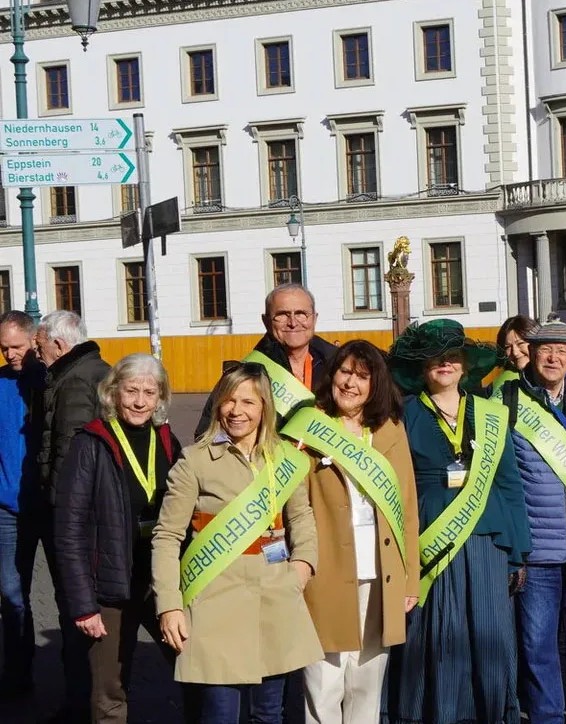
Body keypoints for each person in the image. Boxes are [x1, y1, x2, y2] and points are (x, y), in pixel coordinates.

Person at [153, 363, 322, 723]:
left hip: (275, 594)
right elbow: (167, 537)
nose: (236, 411)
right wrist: (169, 606)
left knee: (269, 714)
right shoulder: (194, 461)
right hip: (215, 601)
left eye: (248, 401)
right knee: (219, 714)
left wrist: (302, 567)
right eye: (229, 400)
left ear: (264, 407)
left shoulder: (287, 460)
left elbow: (301, 517)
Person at [384, 321, 531, 724]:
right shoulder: (404, 415)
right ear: (422, 367)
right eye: (435, 358)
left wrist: (519, 551)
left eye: (452, 356)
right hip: (430, 535)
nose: (445, 364)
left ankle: (490, 714)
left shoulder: (490, 412)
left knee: (489, 634)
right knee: (435, 635)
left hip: (488, 538)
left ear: (465, 365)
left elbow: (509, 481)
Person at [53, 354, 183, 724]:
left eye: (149, 391)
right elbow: (69, 529)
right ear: (113, 392)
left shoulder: (167, 440)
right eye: (131, 391)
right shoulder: (90, 443)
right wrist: (83, 605)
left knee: (193, 667)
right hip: (110, 587)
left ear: (161, 397)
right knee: (110, 691)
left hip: (159, 580)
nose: (140, 401)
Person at [295, 341, 417, 724]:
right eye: (345, 372)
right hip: (325, 570)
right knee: (323, 682)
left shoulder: (390, 429)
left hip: (381, 572)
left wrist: (410, 578)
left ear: (375, 384)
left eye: (362, 376)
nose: (351, 383)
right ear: (332, 376)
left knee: (367, 684)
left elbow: (408, 508)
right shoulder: (307, 426)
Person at [498, 316, 566, 724]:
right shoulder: (508, 402)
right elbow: (503, 480)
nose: (554, 357)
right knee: (538, 645)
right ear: (531, 353)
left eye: (563, 351)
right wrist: (515, 550)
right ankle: (546, 717)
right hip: (537, 551)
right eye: (546, 349)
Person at [34, 309, 110, 721]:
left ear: (60, 345)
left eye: (40, 346)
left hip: (76, 518)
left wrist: (64, 518)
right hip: (90, 514)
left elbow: (70, 457)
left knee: (75, 607)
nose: (37, 354)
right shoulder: (87, 371)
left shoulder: (75, 381)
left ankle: (81, 702)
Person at [195, 283, 338, 435]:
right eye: (282, 314)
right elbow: (207, 433)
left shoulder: (338, 368)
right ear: (266, 322)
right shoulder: (245, 372)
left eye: (301, 313)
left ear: (314, 319)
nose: (293, 323)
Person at [0, 311, 39, 700]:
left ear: (34, 341)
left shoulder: (48, 381)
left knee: (69, 597)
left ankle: (78, 683)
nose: (11, 354)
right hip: (7, 508)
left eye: (17, 346)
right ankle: (17, 676)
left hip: (50, 507)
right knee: (12, 595)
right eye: (4, 347)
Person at [491, 314, 538, 399]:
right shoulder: (500, 386)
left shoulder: (556, 381)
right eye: (508, 347)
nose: (515, 353)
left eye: (520, 343)